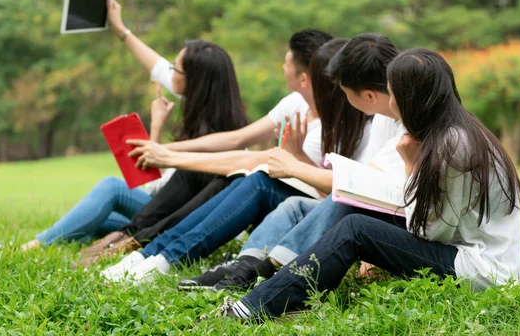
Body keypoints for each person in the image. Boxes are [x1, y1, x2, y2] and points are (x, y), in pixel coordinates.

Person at [222, 48, 520, 320]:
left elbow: (430, 230)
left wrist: (411, 166)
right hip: (467, 251)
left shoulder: (453, 147)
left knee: (356, 229)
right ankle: (293, 289)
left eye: (393, 94)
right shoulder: (452, 129)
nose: (390, 102)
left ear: (410, 99)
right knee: (351, 207)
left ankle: (255, 307)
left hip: (482, 271)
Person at [100, 38, 399, 285]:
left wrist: (295, 161)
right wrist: (169, 152)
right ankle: (154, 254)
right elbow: (238, 141)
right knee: (247, 179)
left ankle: (159, 256)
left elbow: (351, 193)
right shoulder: (309, 109)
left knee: (255, 182)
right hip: (313, 198)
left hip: (328, 205)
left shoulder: (367, 124)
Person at [74, 28, 334, 265]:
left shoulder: (324, 126)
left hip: (286, 205)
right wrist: (169, 150)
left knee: (236, 179)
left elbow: (257, 161)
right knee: (110, 199)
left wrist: (167, 154)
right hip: (168, 207)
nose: (281, 66)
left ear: (302, 77)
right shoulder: (296, 104)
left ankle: (143, 246)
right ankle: (131, 239)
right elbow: (237, 139)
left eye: (286, 62)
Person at [21, 0, 249, 252]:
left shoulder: (220, 143)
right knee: (94, 218)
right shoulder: (206, 102)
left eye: (176, 69)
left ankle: (33, 246)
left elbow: (157, 191)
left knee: (112, 188)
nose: (169, 72)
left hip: (177, 221)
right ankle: (44, 242)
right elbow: (157, 65)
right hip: (160, 211)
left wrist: (156, 130)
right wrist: (121, 30)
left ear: (194, 82)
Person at [183, 33, 405, 291]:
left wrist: (293, 165)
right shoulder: (382, 118)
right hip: (369, 212)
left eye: (343, 92)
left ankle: (268, 273)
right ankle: (245, 266)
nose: (339, 99)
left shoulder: (407, 128)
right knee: (293, 206)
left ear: (367, 96)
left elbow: (362, 188)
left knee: (295, 191)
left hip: (396, 225)